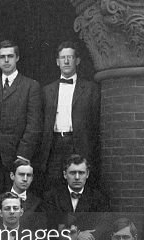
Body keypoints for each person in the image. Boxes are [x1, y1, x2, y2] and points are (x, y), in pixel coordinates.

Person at [0, 40, 43, 197]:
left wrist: (23, 155)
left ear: (17, 58)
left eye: (10, 56)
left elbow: (34, 124)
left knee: (16, 202)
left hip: (18, 158)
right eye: (2, 57)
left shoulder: (30, 86)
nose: (6, 60)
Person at [37, 42, 100, 190]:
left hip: (78, 143)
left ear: (77, 60)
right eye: (63, 58)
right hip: (54, 144)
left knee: (78, 185)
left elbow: (95, 123)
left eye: (70, 57)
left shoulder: (91, 89)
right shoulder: (47, 91)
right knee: (52, 185)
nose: (66, 61)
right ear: (57, 62)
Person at [0, 159, 44, 224]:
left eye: (28, 175)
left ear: (32, 178)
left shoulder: (37, 203)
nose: (25, 179)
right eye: (21, 174)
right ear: (12, 176)